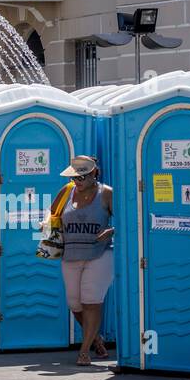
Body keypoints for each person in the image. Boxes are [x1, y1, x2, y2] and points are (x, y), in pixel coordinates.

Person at [54, 155, 114, 366]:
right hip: (71, 254)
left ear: (93, 174)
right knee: (74, 303)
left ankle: (84, 351)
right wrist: (45, 222)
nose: (77, 181)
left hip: (99, 254)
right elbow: (53, 214)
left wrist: (111, 230)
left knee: (91, 301)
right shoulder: (66, 191)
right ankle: (96, 338)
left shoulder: (106, 193)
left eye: (81, 177)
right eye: (74, 177)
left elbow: (125, 220)